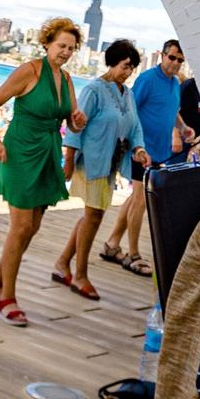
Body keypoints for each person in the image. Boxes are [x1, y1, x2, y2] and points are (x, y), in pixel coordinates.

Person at [0, 19, 86, 326]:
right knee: (21, 225)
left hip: (48, 152)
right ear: (47, 44)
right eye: (60, 46)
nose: (65, 52)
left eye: (70, 48)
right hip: (20, 151)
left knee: (33, 226)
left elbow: (73, 121)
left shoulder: (66, 80)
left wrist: (78, 120)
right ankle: (7, 296)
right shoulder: (29, 71)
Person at [51, 39, 150, 301]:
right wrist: (69, 160)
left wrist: (139, 148)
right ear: (113, 62)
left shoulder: (126, 93)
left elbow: (135, 126)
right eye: (125, 66)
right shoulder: (94, 90)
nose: (128, 72)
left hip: (112, 163)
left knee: (91, 217)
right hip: (92, 161)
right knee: (93, 216)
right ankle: (80, 275)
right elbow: (76, 125)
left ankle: (62, 263)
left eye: (132, 68)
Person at [102, 38, 192, 277]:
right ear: (162, 55)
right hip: (141, 149)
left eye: (180, 60)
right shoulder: (148, 79)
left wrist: (183, 128)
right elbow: (130, 108)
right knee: (141, 200)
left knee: (135, 199)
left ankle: (112, 244)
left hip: (159, 152)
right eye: (172, 57)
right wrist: (133, 144)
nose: (175, 63)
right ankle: (133, 254)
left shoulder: (174, 83)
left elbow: (172, 111)